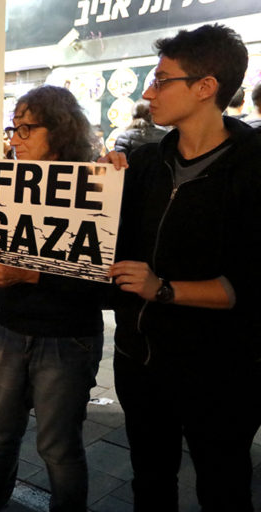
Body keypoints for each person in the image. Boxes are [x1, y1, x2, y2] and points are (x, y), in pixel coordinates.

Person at [108, 24, 260, 512]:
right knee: (150, 481)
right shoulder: (146, 163)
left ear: (205, 87)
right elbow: (110, 251)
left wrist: (164, 289)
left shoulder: (253, 168)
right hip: (139, 361)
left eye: (160, 79)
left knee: (223, 485)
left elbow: (251, 285)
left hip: (222, 374)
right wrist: (102, 193)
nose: (148, 92)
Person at [0, 85, 109, 512]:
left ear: (59, 130)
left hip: (67, 338)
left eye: (26, 129)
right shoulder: (14, 181)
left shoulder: (94, 183)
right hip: (9, 331)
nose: (15, 139)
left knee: (58, 448)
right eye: (14, 128)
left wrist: (29, 274)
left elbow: (100, 282)